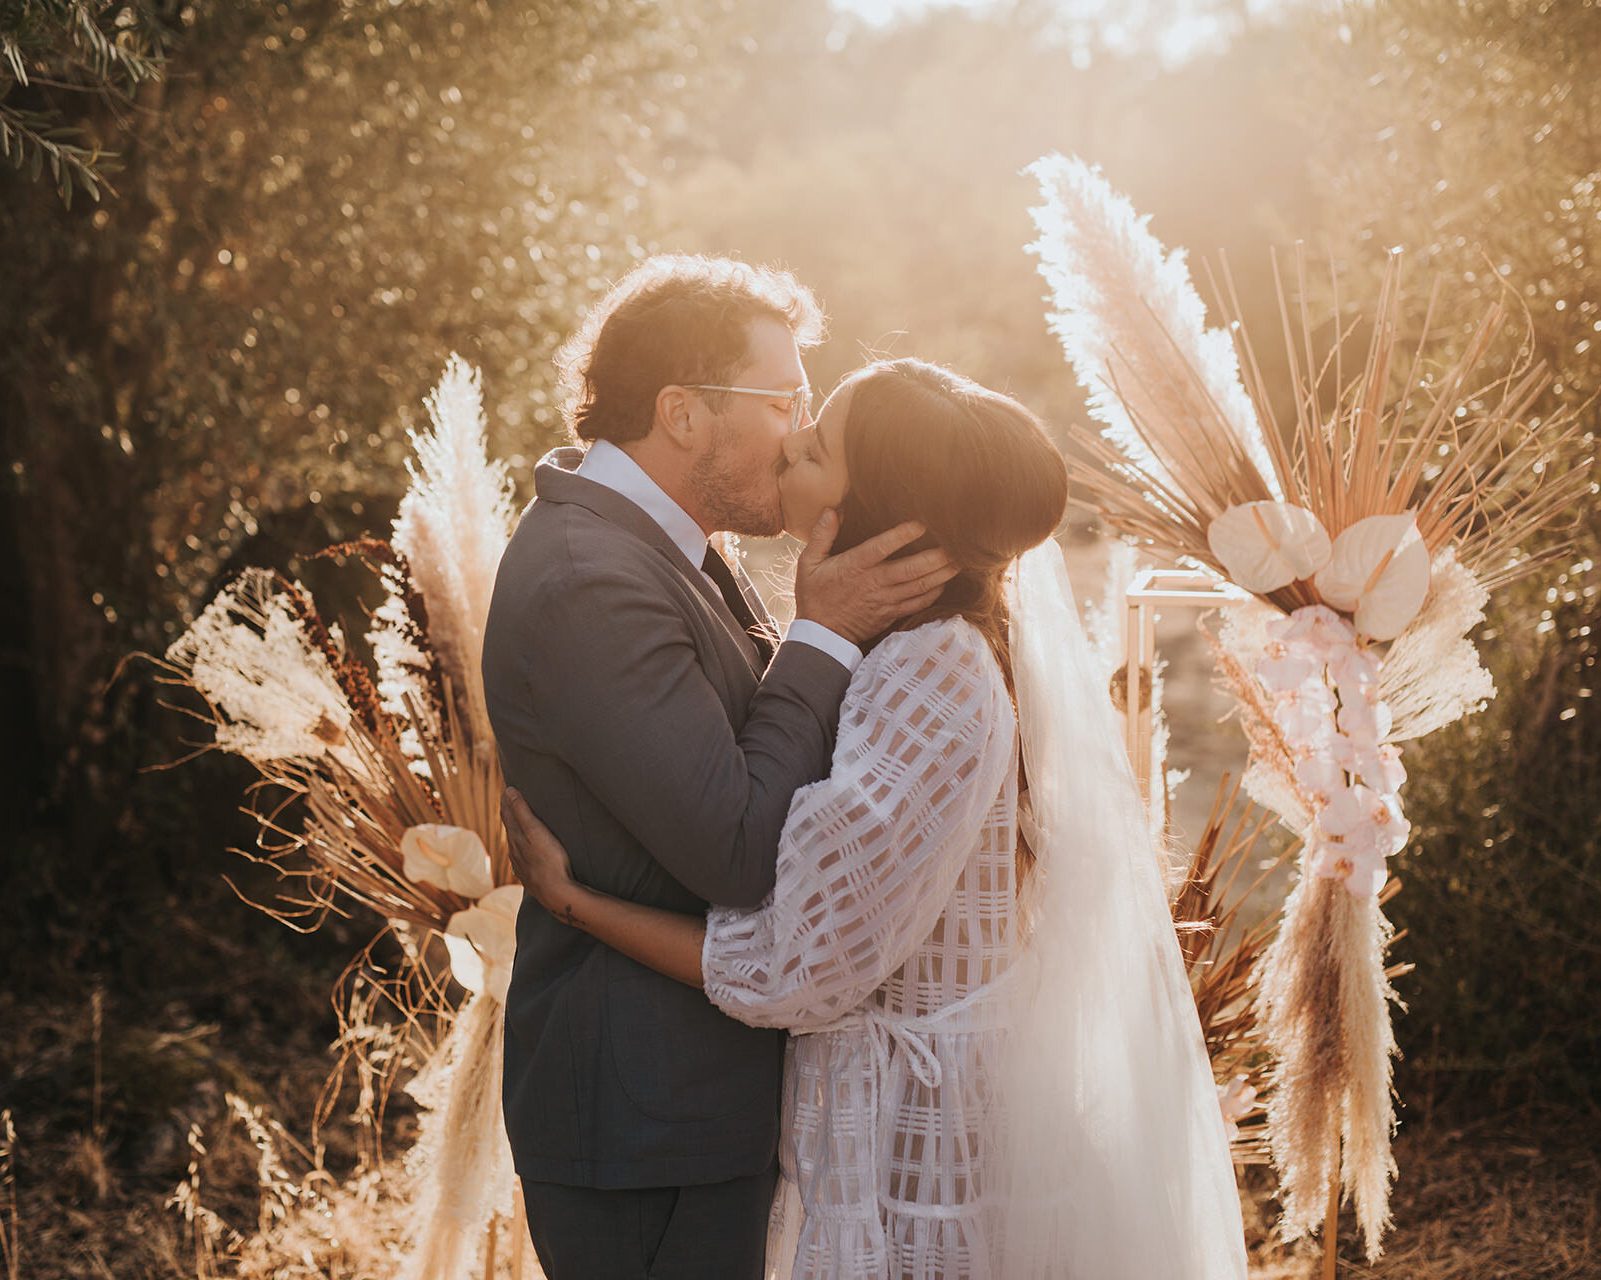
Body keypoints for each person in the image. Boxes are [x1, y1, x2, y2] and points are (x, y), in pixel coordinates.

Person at [505, 358, 1251, 1278]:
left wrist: (574, 903)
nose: (787, 449)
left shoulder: (929, 674)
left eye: (813, 447)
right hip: (877, 1124)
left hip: (914, 1154)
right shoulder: (898, 650)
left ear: (883, 519)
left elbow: (792, 966)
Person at [480, 256, 958, 1279]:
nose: (800, 427)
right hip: (648, 1117)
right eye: (784, 397)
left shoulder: (673, 545)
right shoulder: (590, 580)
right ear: (682, 412)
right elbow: (736, 848)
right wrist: (822, 636)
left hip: (692, 1103)